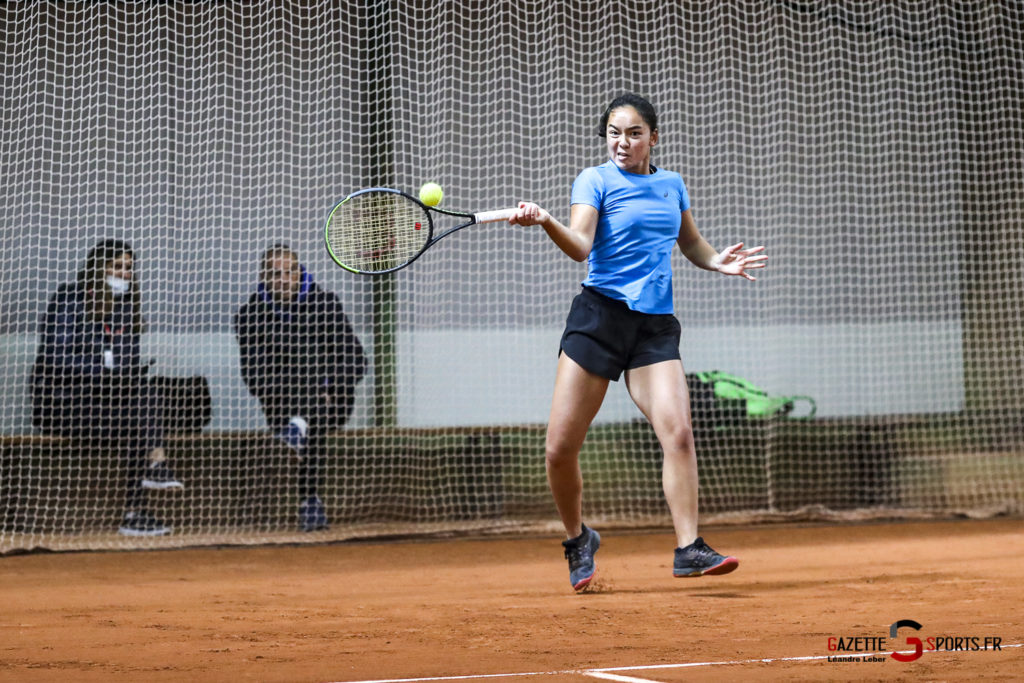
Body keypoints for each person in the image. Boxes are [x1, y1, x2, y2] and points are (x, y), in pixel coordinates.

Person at [509, 94, 767, 591]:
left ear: (653, 137)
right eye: (613, 132)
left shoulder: (671, 184)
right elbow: (580, 246)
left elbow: (689, 241)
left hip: (653, 326)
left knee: (680, 433)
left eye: (632, 133)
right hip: (598, 318)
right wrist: (545, 221)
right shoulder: (595, 180)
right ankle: (577, 539)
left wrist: (717, 261)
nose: (621, 143)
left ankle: (689, 547)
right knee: (559, 450)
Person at [30, 239, 184, 537]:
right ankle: (143, 494)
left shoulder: (126, 307)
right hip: (62, 402)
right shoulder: (69, 298)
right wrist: (102, 362)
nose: (124, 273)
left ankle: (140, 502)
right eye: (116, 266)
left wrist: (124, 371)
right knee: (142, 416)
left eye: (128, 268)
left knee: (145, 399)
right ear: (98, 268)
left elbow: (128, 360)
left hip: (107, 401)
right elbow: (53, 355)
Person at [234, 244, 366, 532]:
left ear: (300, 272)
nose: (284, 278)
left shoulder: (326, 304)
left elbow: (357, 359)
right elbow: (254, 375)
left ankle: (298, 430)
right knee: (311, 421)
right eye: (276, 273)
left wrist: (329, 384)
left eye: (290, 271)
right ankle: (310, 502)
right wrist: (303, 387)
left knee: (310, 404)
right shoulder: (249, 315)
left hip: (334, 400)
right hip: (281, 405)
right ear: (264, 276)